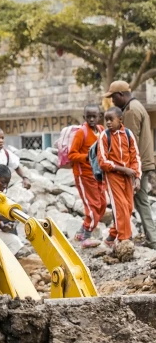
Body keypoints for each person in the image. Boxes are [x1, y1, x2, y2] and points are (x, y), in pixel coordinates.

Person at [105, 80, 156, 249]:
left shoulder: (131, 111)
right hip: (142, 162)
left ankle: (151, 239)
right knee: (131, 202)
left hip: (137, 165)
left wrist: (127, 170)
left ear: (120, 95)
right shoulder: (137, 106)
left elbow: (128, 144)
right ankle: (121, 235)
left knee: (136, 202)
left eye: (113, 97)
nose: (112, 101)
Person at [97, 107, 141, 249]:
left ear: (120, 120)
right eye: (106, 120)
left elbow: (135, 157)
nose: (108, 122)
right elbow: (103, 162)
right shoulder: (104, 136)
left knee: (128, 208)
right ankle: (124, 241)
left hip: (128, 176)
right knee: (120, 206)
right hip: (113, 175)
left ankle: (111, 237)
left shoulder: (128, 134)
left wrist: (137, 177)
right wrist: (123, 169)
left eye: (111, 119)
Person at [68, 105, 106, 247]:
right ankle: (86, 237)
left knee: (102, 204)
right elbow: (72, 154)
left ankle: (81, 232)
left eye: (94, 116)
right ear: (84, 117)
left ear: (99, 117)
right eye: (88, 116)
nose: (91, 119)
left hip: (98, 174)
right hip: (84, 175)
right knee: (92, 205)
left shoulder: (101, 130)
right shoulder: (81, 133)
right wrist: (88, 157)